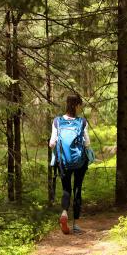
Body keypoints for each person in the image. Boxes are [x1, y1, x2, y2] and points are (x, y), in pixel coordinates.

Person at [49, 94, 90, 234]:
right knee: (77, 188)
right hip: (80, 162)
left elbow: (52, 143)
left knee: (66, 189)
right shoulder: (82, 122)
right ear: (77, 105)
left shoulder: (57, 121)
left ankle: (64, 213)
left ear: (66, 104)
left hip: (63, 162)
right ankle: (76, 224)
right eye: (80, 105)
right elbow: (87, 143)